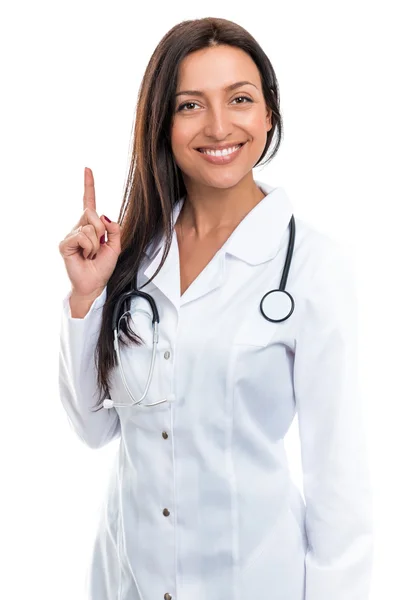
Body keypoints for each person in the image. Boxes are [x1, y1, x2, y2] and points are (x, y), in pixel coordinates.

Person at [58, 16, 374, 600]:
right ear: (162, 123)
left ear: (269, 112)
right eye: (190, 105)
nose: (219, 125)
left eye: (240, 99)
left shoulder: (312, 266)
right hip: (126, 580)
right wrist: (86, 298)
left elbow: (339, 486)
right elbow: (95, 426)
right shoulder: (131, 256)